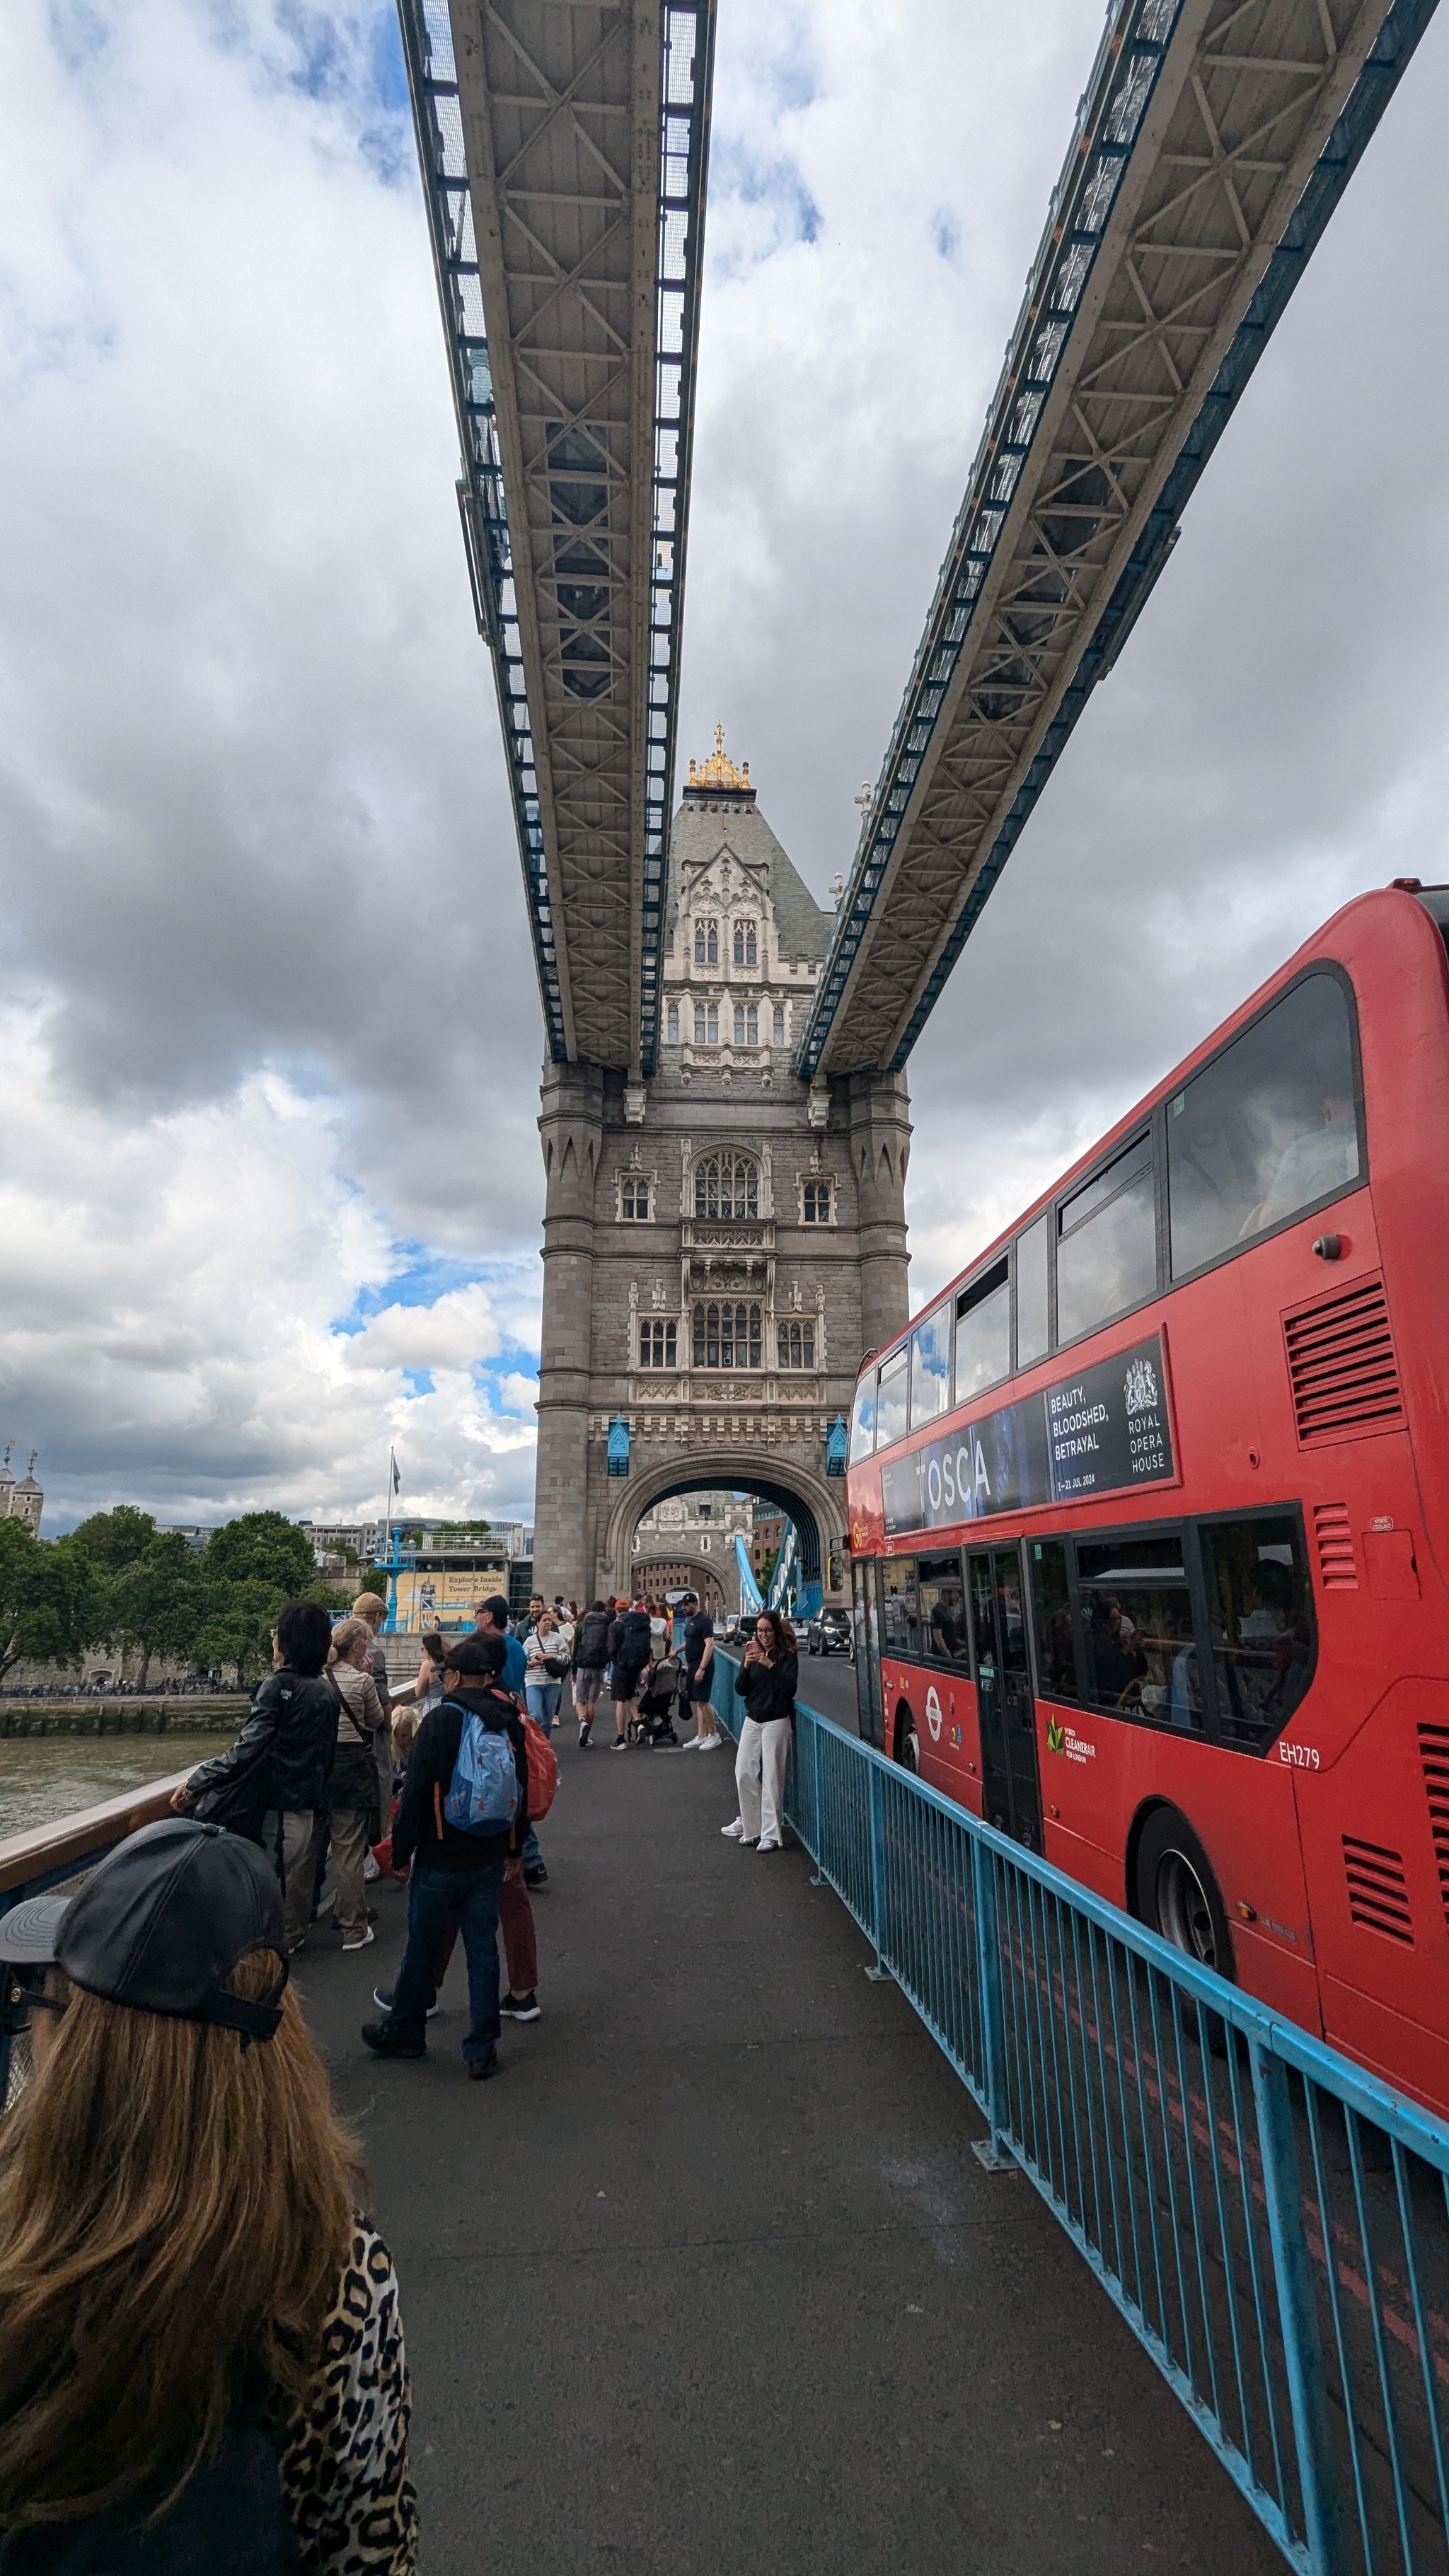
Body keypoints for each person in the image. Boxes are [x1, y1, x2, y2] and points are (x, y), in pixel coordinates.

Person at [0, 1817, 417, 2569]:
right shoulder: (332, 2264)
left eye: (40, 1992)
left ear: (78, 2039)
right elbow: (368, 2540)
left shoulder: (21, 2232)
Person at [362, 1631, 529, 2078]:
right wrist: (515, 1849)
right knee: (482, 1949)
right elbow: (521, 1788)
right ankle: (481, 2049)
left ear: (453, 1676)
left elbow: (415, 1793)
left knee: (421, 1947)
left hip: (440, 1854)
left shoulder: (439, 1721)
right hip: (489, 1854)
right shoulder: (509, 1718)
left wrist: (401, 1852)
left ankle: (407, 2033)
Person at [172, 1600, 336, 1953]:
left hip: (273, 1818)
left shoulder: (278, 1687)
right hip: (305, 1814)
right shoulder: (325, 1691)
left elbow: (246, 1750)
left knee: (245, 1910)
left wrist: (196, 1781)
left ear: (286, 1644)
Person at [323, 1615, 392, 1952]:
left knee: (308, 1850)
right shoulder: (361, 1680)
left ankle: (291, 1933)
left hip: (319, 1766)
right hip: (352, 1766)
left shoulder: (319, 1679)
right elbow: (378, 1720)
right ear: (357, 1646)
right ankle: (353, 1928)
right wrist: (366, 1678)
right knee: (349, 1848)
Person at [723, 1610, 798, 1854]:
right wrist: (746, 1666)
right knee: (743, 1771)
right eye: (759, 1631)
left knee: (772, 1778)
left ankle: (772, 1835)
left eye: (767, 1630)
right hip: (753, 1719)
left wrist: (770, 1664)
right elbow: (741, 1690)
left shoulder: (787, 1656)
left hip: (776, 1720)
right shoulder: (753, 1656)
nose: (763, 1635)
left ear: (776, 1631)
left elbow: (788, 1689)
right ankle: (752, 1829)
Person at [608, 1598, 653, 1751]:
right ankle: (639, 1723)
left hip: (622, 1665)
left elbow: (612, 1647)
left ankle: (621, 1738)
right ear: (628, 1609)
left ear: (616, 1610)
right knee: (629, 1696)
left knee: (620, 1699)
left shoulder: (616, 1625)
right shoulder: (638, 1623)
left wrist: (614, 1660)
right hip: (637, 1664)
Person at [679, 1591, 722, 1750]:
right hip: (692, 1665)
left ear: (695, 1604)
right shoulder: (691, 1621)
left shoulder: (704, 1621)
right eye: (683, 1605)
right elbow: (690, 1642)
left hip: (702, 1665)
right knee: (698, 1701)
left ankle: (714, 1735)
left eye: (687, 1605)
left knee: (703, 1701)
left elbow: (709, 1645)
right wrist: (676, 1651)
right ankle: (701, 1736)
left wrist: (702, 1668)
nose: (684, 1607)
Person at [570, 1599, 612, 1747]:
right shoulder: (607, 1626)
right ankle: (587, 1735)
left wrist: (574, 1670)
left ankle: (582, 1722)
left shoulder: (582, 1626)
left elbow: (575, 1650)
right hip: (598, 1668)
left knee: (580, 1700)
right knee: (592, 1702)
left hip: (583, 1666)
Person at [524, 1608, 567, 1732]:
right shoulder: (529, 1641)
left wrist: (552, 1656)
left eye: (549, 1620)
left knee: (547, 1721)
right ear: (538, 1623)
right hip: (534, 1682)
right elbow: (522, 1662)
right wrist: (531, 1663)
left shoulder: (558, 1638)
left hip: (552, 1683)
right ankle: (535, 1745)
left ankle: (544, 1747)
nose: (548, 1622)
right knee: (535, 1715)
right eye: (545, 1620)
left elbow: (566, 1658)